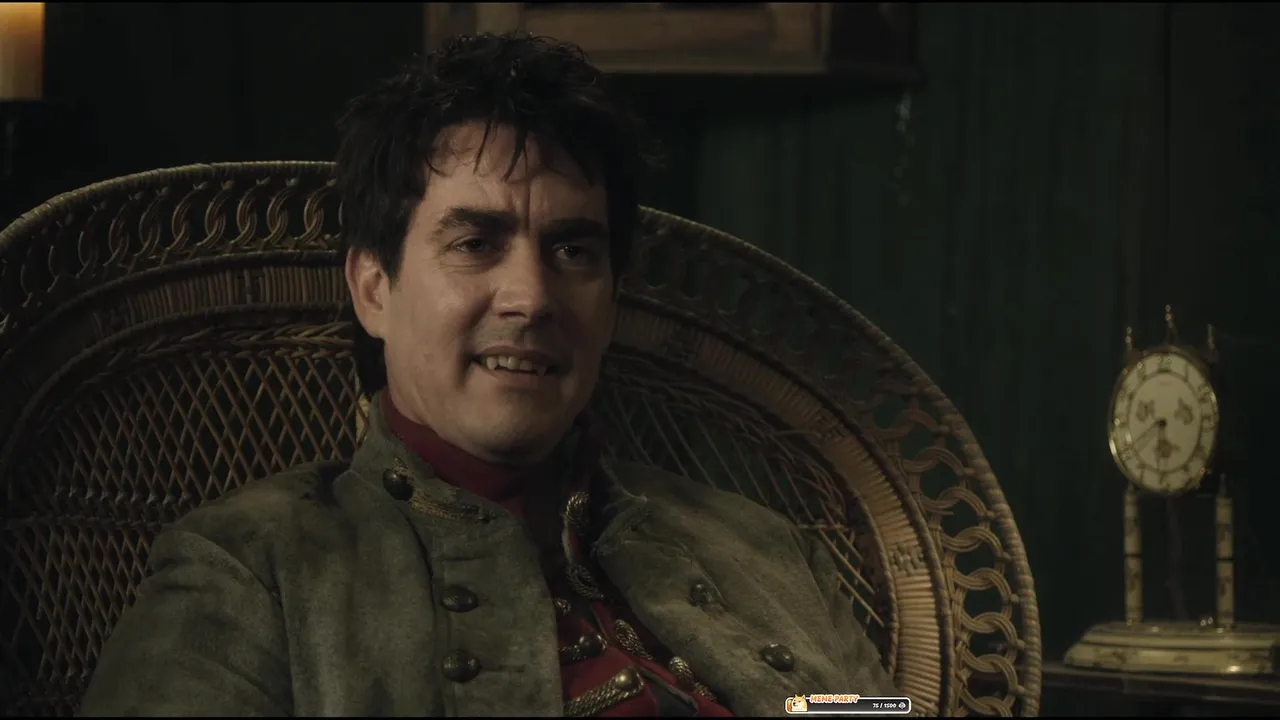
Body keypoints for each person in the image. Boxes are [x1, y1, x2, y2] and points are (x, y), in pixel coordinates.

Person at [79, 32, 899, 717]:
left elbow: (876, 712)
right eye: (475, 244)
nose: (532, 297)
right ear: (374, 288)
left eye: (572, 250)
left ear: (612, 299)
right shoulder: (248, 569)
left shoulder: (764, 549)